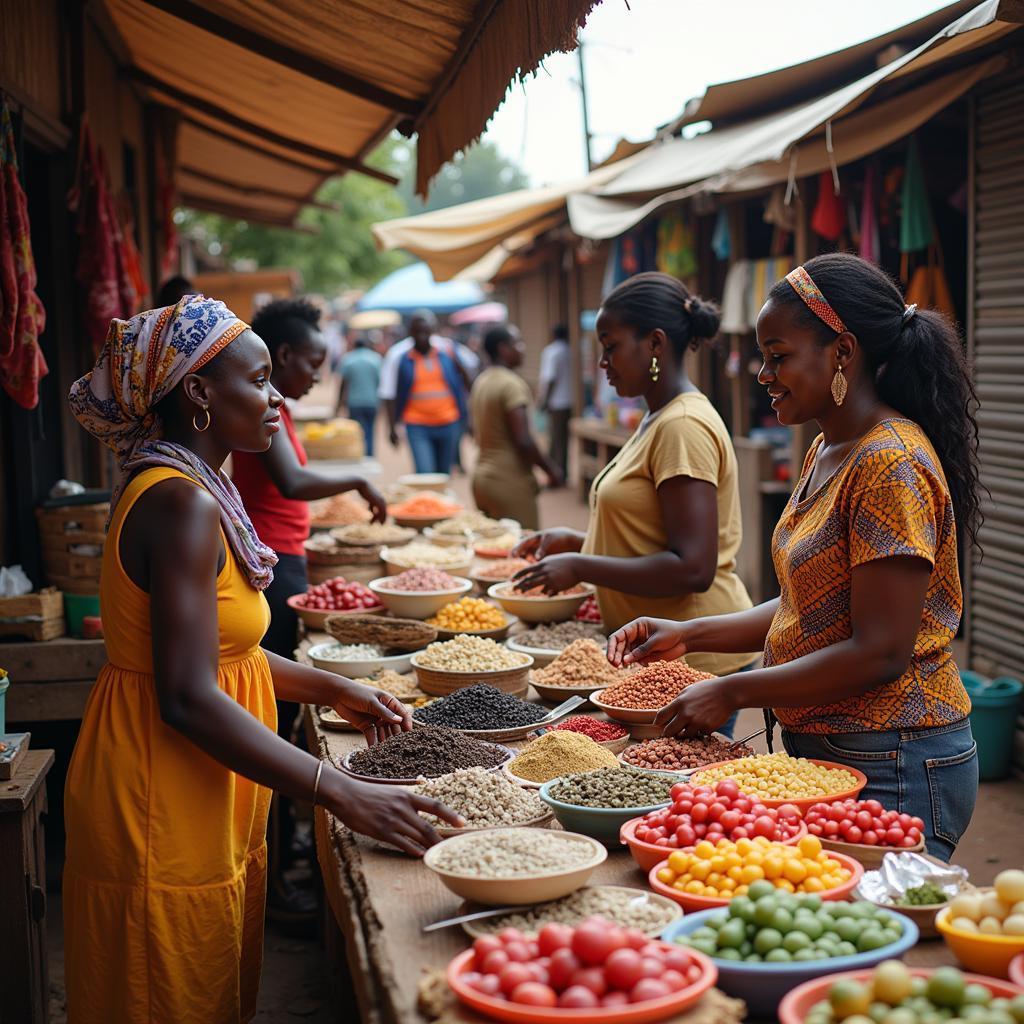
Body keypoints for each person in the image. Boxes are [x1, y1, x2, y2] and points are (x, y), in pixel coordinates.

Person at [64, 296, 460, 1023]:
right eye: (260, 381)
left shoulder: (191, 488)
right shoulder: (180, 505)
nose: (277, 399)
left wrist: (330, 685)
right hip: (160, 794)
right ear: (199, 393)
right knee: (168, 994)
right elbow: (185, 695)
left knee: (210, 987)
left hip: (201, 788)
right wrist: (337, 790)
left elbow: (221, 653)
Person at [607, 253, 981, 861]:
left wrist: (733, 693)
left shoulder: (889, 463)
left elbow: (882, 649)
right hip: (834, 750)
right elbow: (811, 603)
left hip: (897, 756)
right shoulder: (828, 449)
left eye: (777, 356)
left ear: (842, 353)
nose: (762, 374)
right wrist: (691, 632)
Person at [513, 272, 755, 735]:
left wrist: (583, 565)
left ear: (655, 343)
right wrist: (580, 541)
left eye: (611, 345)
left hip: (695, 657)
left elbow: (693, 567)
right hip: (658, 655)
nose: (602, 361)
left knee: (681, 795)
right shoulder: (655, 417)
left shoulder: (682, 426)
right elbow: (652, 534)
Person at [231, 298, 387, 922]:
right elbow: (293, 483)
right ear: (286, 354)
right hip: (273, 565)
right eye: (314, 363)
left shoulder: (273, 411)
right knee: (271, 726)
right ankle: (274, 878)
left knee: (285, 722)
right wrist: (356, 478)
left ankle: (282, 845)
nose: (319, 375)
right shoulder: (253, 424)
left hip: (282, 556)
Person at [470, 325, 564, 529]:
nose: (523, 348)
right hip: (508, 481)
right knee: (524, 550)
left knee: (492, 549)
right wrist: (551, 470)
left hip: (481, 480)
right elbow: (523, 440)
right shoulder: (512, 385)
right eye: (517, 343)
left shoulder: (481, 381)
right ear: (503, 349)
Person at [381, 311, 467, 475]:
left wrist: (467, 416)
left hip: (448, 423)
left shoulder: (447, 351)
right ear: (410, 332)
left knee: (443, 475)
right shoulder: (399, 356)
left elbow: (466, 378)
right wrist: (391, 427)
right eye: (417, 331)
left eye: (426, 331)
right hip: (417, 425)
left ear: (433, 330)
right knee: (425, 474)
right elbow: (389, 394)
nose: (422, 336)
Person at [337, 336, 383, 456]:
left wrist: (339, 404)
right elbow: (380, 382)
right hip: (372, 401)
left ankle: (358, 455)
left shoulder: (348, 359)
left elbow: (343, 384)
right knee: (370, 430)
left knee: (357, 432)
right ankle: (369, 456)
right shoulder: (375, 359)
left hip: (354, 402)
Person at [538, 323, 573, 480]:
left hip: (556, 401)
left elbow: (550, 379)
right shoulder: (570, 351)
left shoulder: (551, 352)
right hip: (569, 400)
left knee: (554, 439)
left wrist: (544, 400)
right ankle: (562, 472)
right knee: (563, 440)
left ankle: (555, 475)